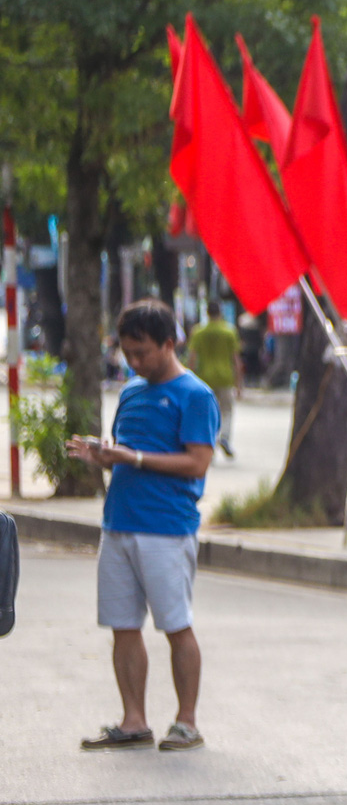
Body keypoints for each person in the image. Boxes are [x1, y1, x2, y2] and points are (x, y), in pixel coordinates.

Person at [67, 299, 219, 753]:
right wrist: (103, 454)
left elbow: (197, 462)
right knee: (122, 624)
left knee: (175, 624)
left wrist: (132, 457)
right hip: (118, 524)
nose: (135, 362)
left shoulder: (195, 395)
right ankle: (134, 719)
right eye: (128, 353)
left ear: (169, 344)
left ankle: (186, 721)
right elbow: (129, 450)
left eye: (143, 353)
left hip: (166, 529)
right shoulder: (132, 392)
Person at [187, 301, 243, 459]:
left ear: (207, 313)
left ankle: (210, 440)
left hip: (204, 379)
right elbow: (236, 359)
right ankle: (224, 437)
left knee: (207, 413)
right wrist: (239, 384)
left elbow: (192, 358)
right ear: (220, 312)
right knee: (226, 411)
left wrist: (189, 379)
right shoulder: (229, 331)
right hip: (225, 378)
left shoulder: (198, 332)